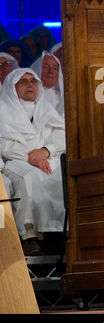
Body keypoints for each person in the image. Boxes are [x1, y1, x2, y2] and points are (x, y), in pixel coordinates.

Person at [0, 68, 66, 255]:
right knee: (27, 178)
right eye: (23, 82)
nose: (30, 85)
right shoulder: (3, 110)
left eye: (33, 81)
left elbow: (62, 136)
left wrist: (46, 151)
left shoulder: (45, 108)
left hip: (47, 159)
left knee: (61, 176)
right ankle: (29, 235)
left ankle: (61, 234)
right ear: (12, 87)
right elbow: (5, 145)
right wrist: (33, 157)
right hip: (16, 161)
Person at [31, 51, 64, 118]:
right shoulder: (29, 95)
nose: (51, 71)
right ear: (38, 69)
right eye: (46, 67)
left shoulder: (64, 98)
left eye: (55, 68)